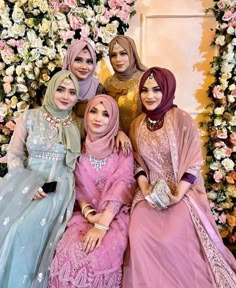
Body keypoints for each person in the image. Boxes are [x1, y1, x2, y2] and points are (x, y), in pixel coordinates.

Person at [123, 67, 236, 287]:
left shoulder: (181, 119)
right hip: (148, 192)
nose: (149, 96)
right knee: (138, 235)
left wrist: (176, 196)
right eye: (144, 90)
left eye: (156, 90)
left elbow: (194, 163)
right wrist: (145, 189)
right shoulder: (136, 125)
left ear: (167, 90)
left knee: (171, 237)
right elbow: (137, 163)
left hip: (181, 190)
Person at [0, 70, 81, 288]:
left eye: (72, 92)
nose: (66, 96)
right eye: (61, 89)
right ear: (52, 89)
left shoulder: (78, 125)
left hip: (56, 188)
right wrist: (27, 184)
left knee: (22, 231)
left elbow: (105, 134)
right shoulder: (30, 117)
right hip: (25, 183)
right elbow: (15, 154)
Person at [49, 94, 135, 288]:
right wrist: (89, 214)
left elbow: (123, 186)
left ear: (113, 121)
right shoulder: (78, 150)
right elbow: (78, 188)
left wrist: (101, 225)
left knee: (97, 255)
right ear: (86, 115)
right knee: (68, 252)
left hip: (114, 216)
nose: (98, 118)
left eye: (105, 115)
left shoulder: (122, 149)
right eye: (93, 112)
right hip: (84, 217)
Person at [103, 35, 146, 149]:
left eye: (123, 53)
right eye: (113, 55)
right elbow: (105, 115)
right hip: (117, 144)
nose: (118, 59)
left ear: (132, 53)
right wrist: (118, 131)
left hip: (143, 143)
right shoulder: (108, 83)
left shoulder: (146, 79)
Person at [63, 39, 104, 119]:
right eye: (78, 60)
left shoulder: (98, 89)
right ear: (69, 60)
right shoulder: (58, 84)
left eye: (89, 62)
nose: (84, 67)